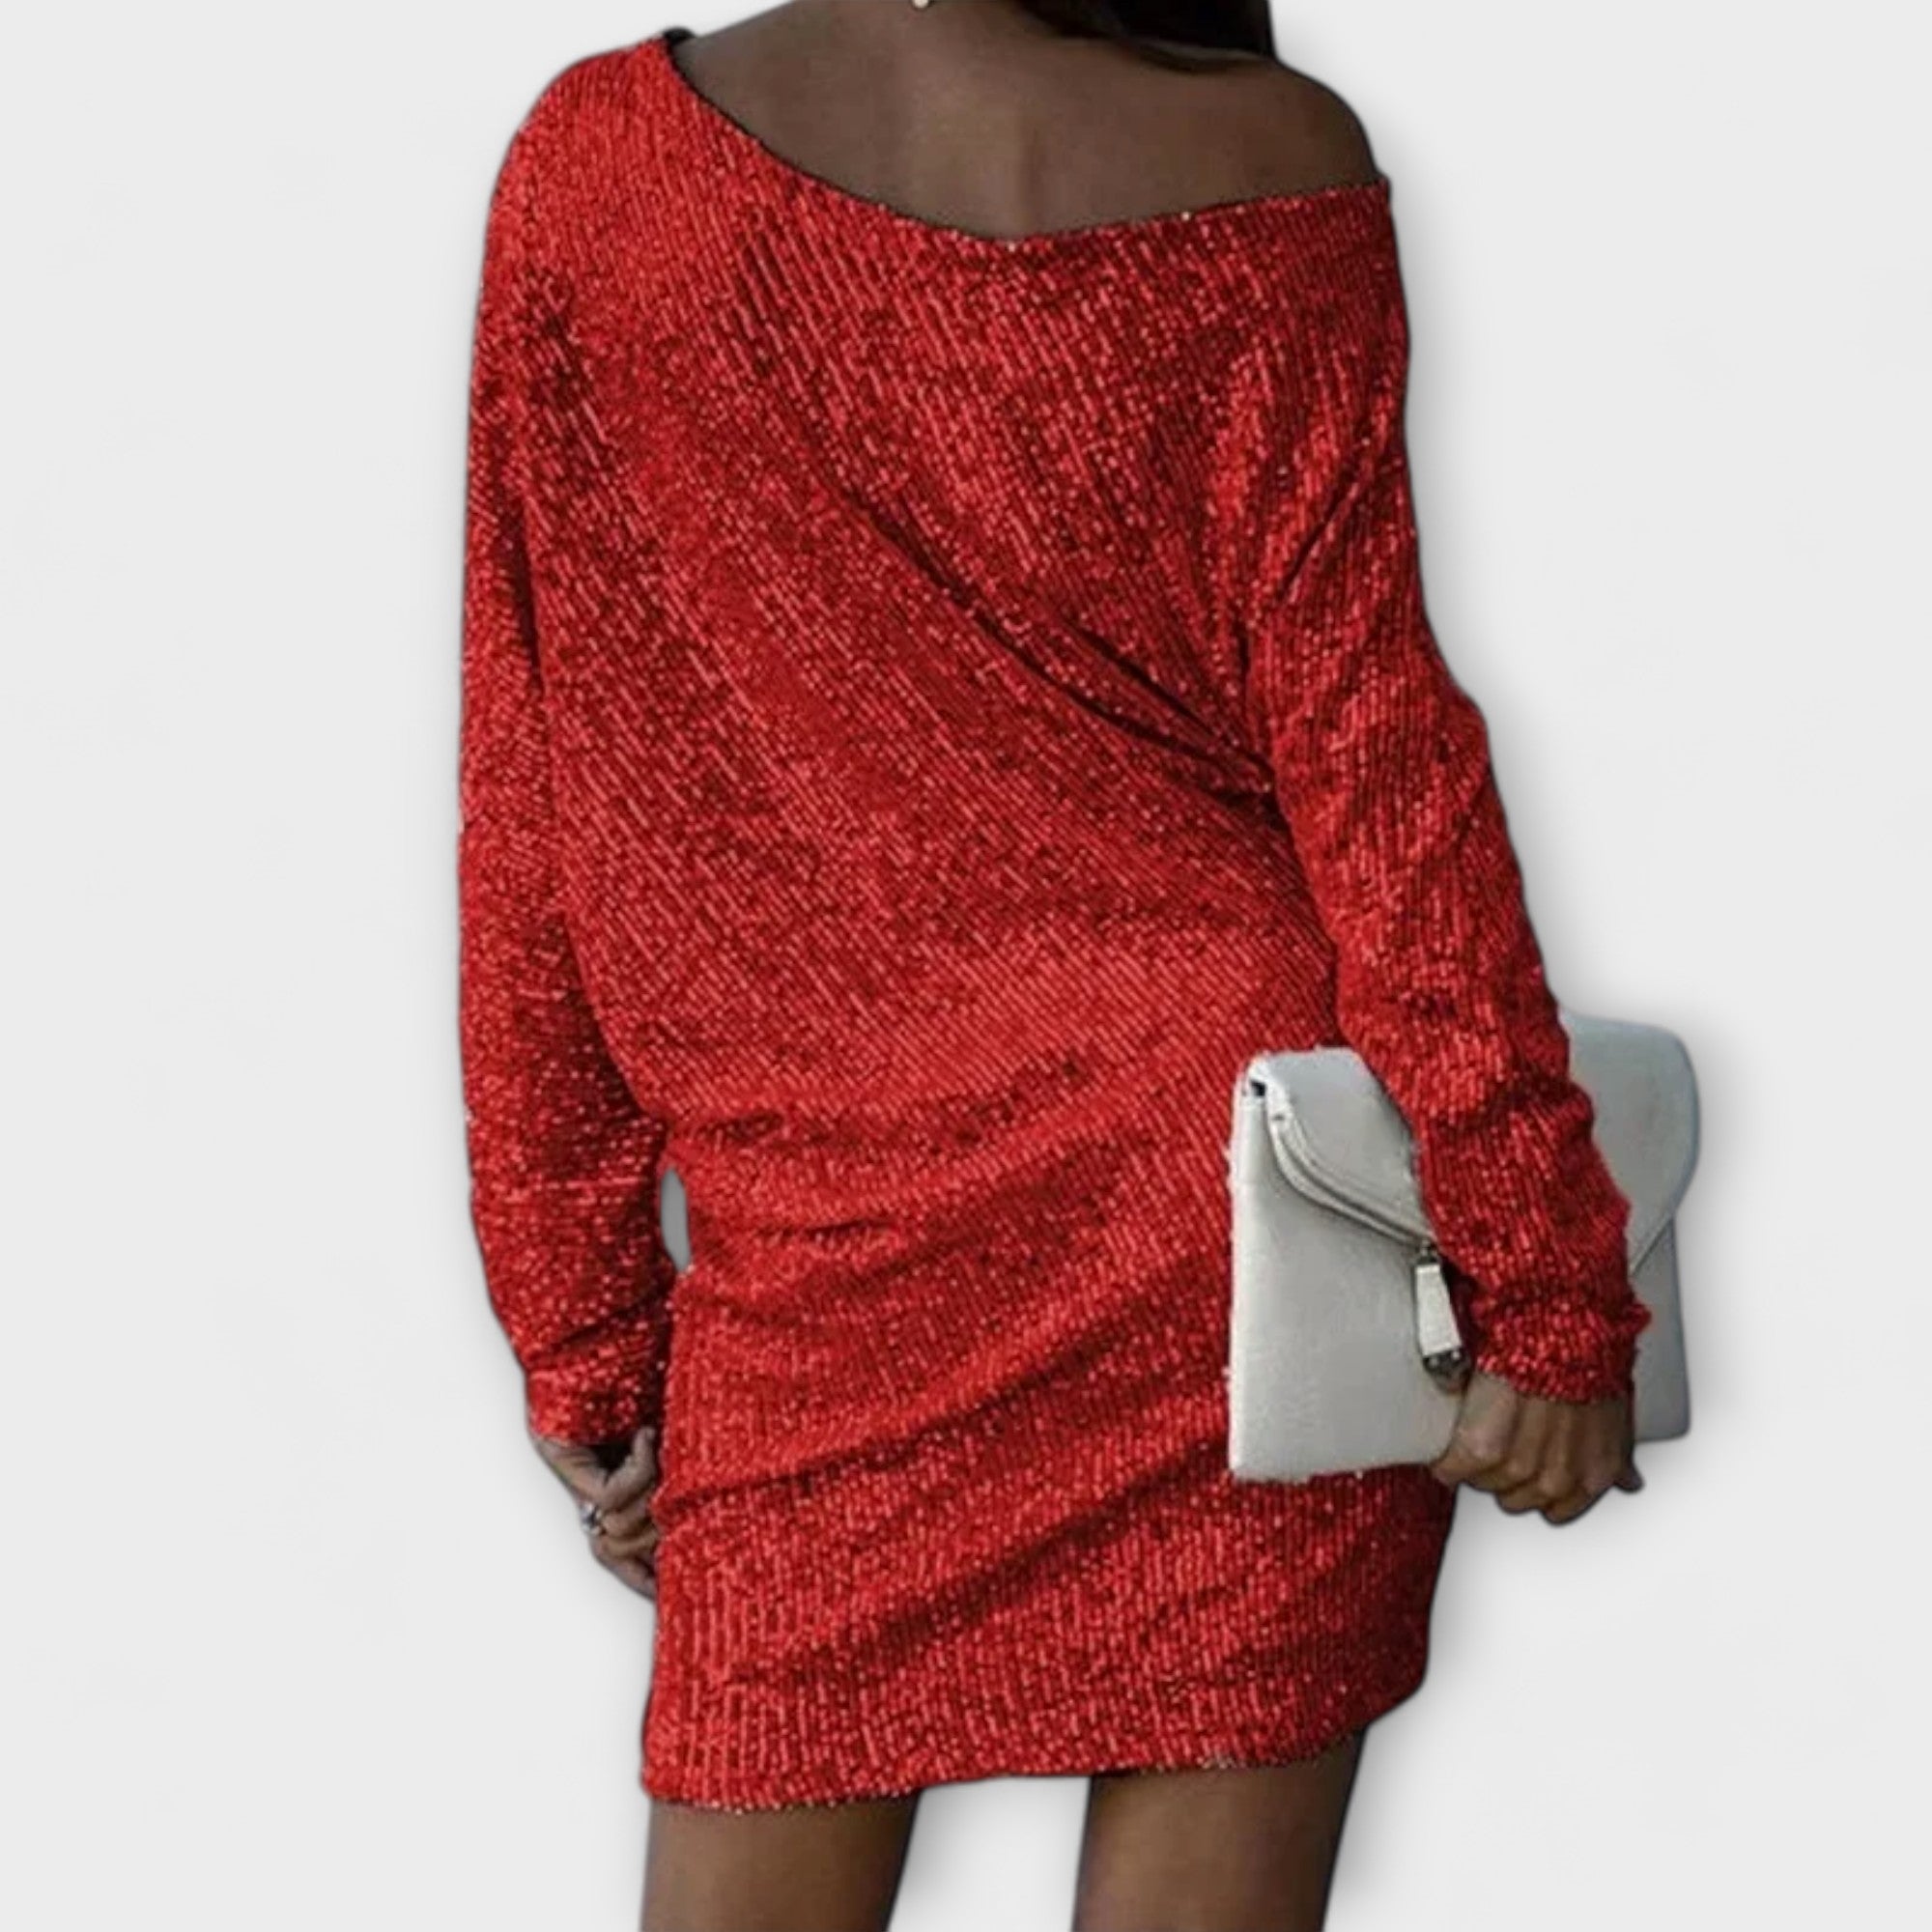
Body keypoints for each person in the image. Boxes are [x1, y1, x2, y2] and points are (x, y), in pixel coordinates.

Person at [455, 2, 1651, 1925]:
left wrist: (581, 1323)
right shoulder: (1270, 155)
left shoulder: (601, 163)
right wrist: (1547, 1281)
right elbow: (1380, 766)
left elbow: (538, 778)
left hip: (846, 1244)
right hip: (1227, 1210)